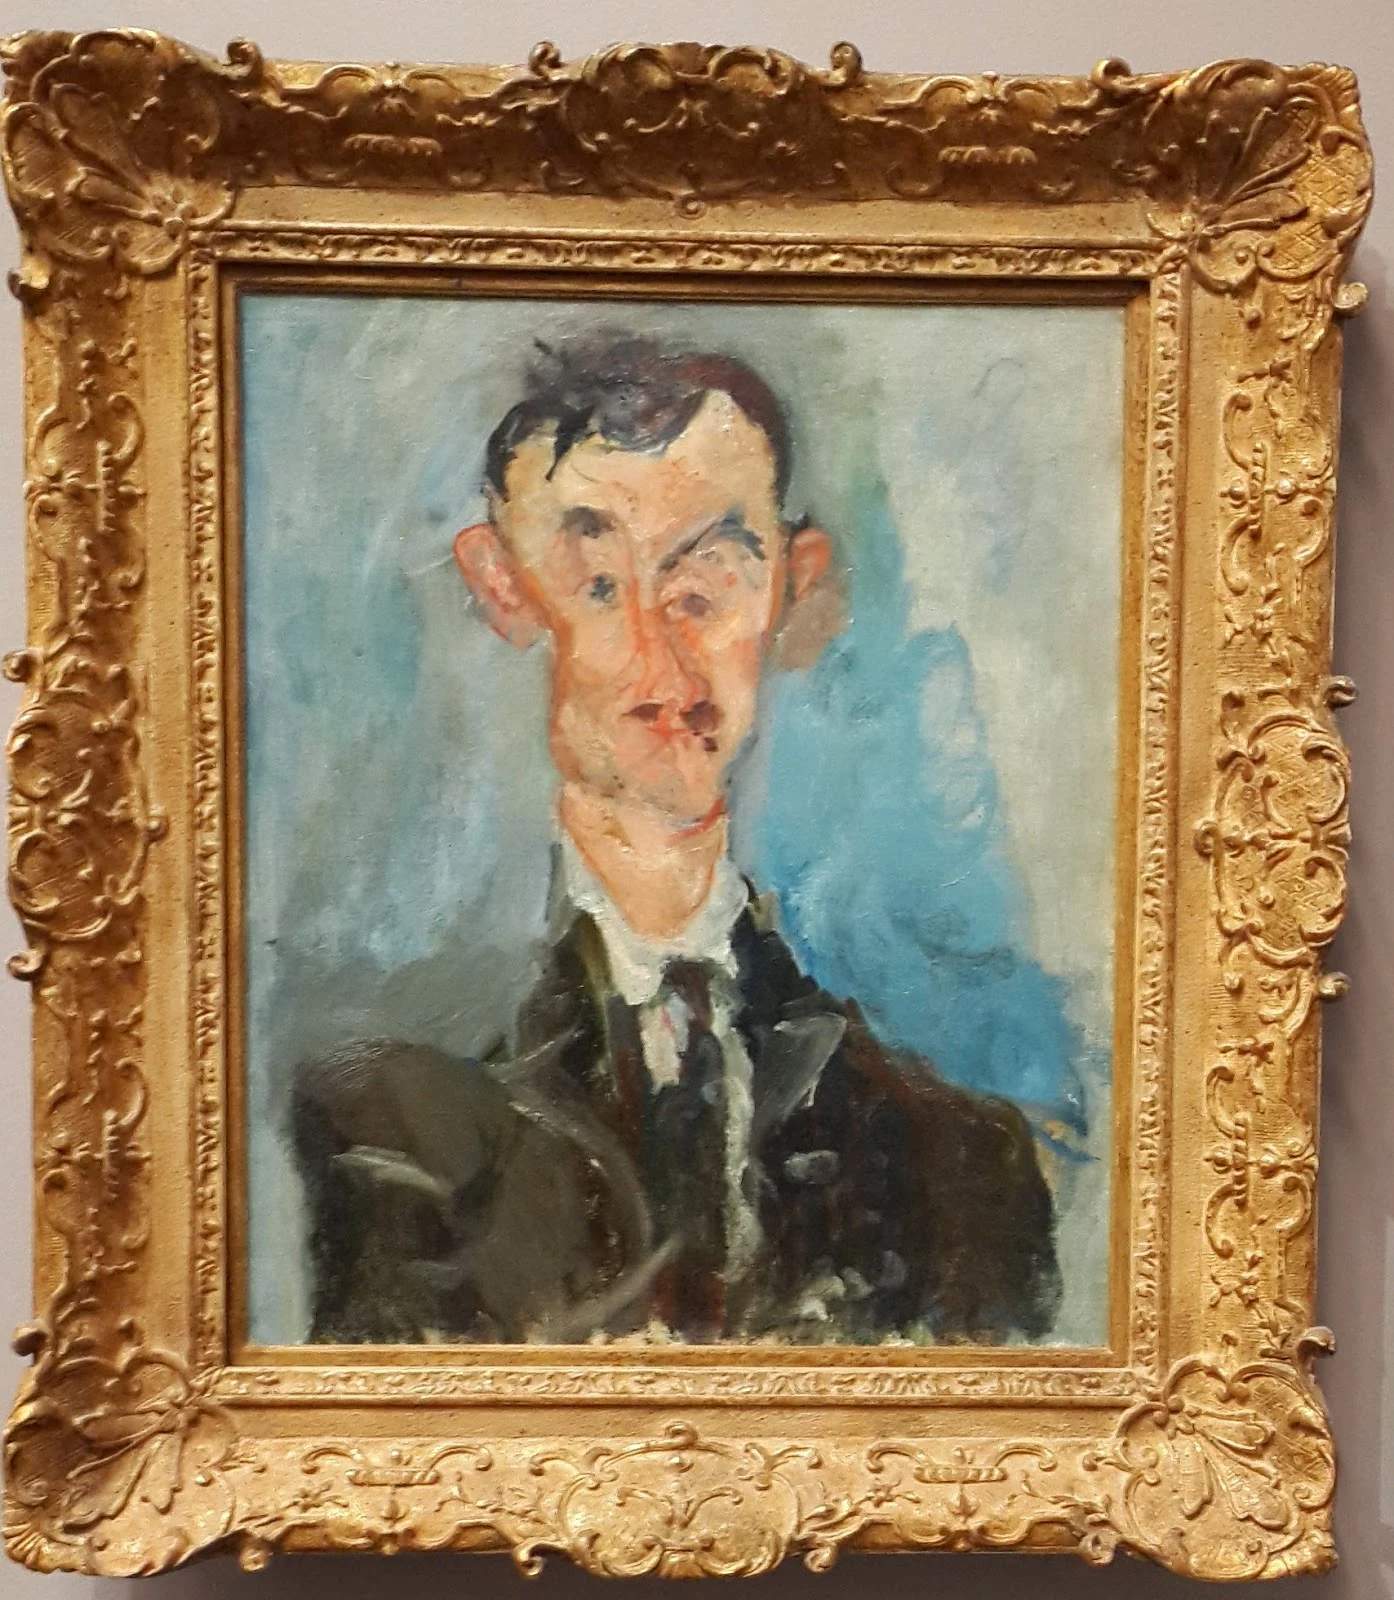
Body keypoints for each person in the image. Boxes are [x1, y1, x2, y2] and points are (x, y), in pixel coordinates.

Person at [292, 334, 1061, 1346]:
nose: (664, 665)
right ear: (502, 587)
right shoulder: (380, 1114)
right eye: (599, 584)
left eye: (707, 583)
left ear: (795, 585)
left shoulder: (960, 1166)